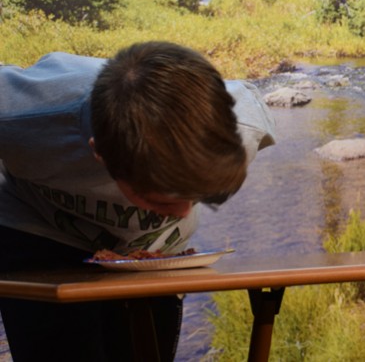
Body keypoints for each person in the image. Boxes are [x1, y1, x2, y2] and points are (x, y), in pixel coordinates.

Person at [0, 41, 276, 361]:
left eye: (192, 195)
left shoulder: (241, 128)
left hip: (152, 252)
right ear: (99, 153)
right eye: (161, 200)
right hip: (37, 229)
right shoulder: (22, 115)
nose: (185, 212)